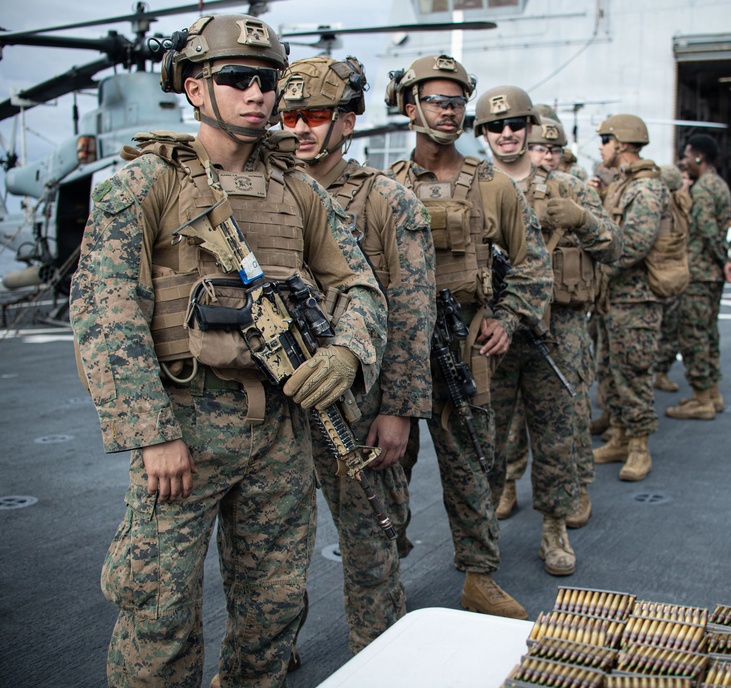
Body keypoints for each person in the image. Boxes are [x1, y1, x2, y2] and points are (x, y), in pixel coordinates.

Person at [69, 14, 387, 687]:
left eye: (267, 80)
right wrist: (151, 433)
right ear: (192, 89)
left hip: (281, 426)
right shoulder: (144, 184)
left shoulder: (299, 191)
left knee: (273, 607)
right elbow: (105, 314)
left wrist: (349, 352)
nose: (257, 94)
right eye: (235, 78)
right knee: (158, 612)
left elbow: (357, 283)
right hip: (183, 424)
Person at [276, 56, 435, 656]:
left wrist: (398, 408)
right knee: (272, 541)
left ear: (348, 121)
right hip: (278, 403)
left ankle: (378, 651)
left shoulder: (388, 200)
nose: (299, 129)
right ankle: (272, 645)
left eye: (315, 115)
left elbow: (414, 310)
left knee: (370, 539)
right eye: (288, 115)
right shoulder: (266, 194)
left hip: (360, 403)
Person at [386, 55, 552, 617]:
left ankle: (479, 578)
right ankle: (383, 578)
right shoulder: (384, 188)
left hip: (465, 351)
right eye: (437, 99)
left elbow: (534, 265)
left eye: (457, 101)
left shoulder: (495, 187)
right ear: (411, 109)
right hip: (400, 356)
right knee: (387, 470)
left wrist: (506, 317)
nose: (450, 110)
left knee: (474, 469)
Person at [475, 88, 621, 572]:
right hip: (492, 333)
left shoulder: (567, 187)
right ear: (483, 133)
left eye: (517, 123)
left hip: (559, 330)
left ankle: (554, 528)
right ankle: (482, 529)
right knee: (487, 433)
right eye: (496, 126)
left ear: (530, 127)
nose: (508, 132)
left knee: (558, 432)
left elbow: (614, 249)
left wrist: (581, 219)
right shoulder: (471, 187)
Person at [588, 114, 671, 482]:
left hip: (636, 300)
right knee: (611, 369)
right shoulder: (624, 184)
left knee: (634, 373)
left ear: (620, 143)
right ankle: (620, 434)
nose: (601, 147)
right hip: (615, 298)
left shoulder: (647, 188)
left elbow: (635, 243)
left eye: (605, 140)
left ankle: (639, 445)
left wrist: (596, 266)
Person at [665, 134, 731, 421]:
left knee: (694, 335)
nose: (684, 162)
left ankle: (701, 398)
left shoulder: (704, 188)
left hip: (699, 272)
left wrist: (723, 261)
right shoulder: (719, 185)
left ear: (699, 158)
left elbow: (707, 230)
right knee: (708, 333)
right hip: (709, 274)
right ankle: (712, 393)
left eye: (686, 156)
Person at [652, 163, 693, 394]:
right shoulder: (676, 205)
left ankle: (660, 372)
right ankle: (660, 372)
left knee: (666, 329)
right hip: (670, 275)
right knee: (667, 329)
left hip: (665, 276)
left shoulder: (676, 206)